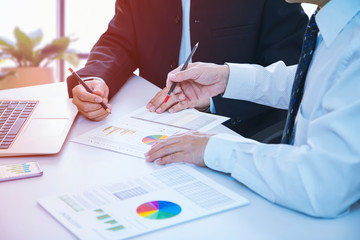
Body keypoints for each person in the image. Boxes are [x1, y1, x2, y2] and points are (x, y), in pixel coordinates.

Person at [145, 0, 360, 218]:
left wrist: (215, 149)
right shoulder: (341, 25)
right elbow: (317, 79)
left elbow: (323, 184)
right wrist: (225, 79)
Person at [67, 0, 308, 142]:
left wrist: (213, 99)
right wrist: (95, 78)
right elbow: (119, 39)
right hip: (152, 125)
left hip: (240, 133)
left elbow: (293, 67)